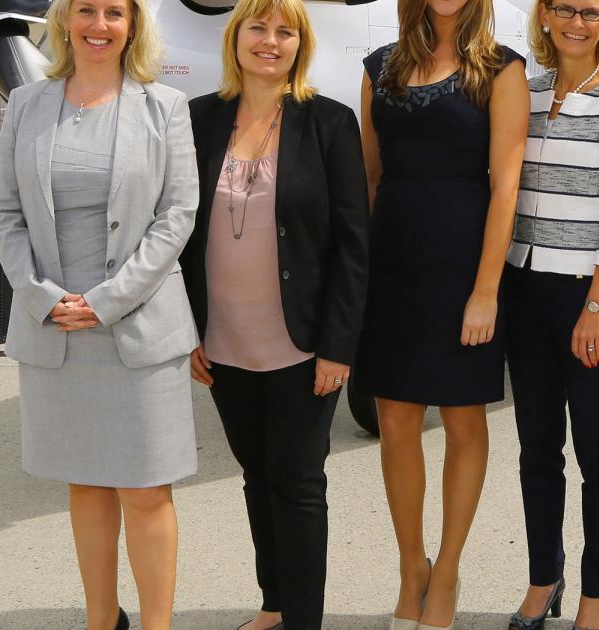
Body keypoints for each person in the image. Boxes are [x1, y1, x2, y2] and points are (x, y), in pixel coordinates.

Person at [0, 0, 199, 627]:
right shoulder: (26, 106)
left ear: (133, 25)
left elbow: (177, 217)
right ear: (64, 21)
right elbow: (3, 212)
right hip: (56, 330)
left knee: (146, 491)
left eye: (114, 12)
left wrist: (106, 302)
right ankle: (101, 620)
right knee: (86, 485)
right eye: (86, 10)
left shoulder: (166, 108)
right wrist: (42, 296)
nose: (98, 25)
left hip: (137, 329)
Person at [179, 0, 369, 627]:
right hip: (222, 338)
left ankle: (304, 620)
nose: (270, 40)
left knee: (296, 479)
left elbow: (352, 243)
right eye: (257, 27)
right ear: (236, 40)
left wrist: (339, 346)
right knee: (256, 475)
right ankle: (275, 604)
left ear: (300, 45)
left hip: (302, 340)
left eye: (285, 31)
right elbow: (176, 236)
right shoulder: (198, 118)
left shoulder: (329, 123)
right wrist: (187, 331)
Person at [354, 0, 528, 628]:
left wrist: (486, 290)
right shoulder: (379, 68)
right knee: (395, 424)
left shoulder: (502, 70)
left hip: (463, 263)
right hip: (391, 265)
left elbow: (506, 184)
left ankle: (448, 570)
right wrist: (358, 278)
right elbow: (369, 177)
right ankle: (412, 568)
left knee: (461, 421)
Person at [503, 1, 599, 629]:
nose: (576, 21)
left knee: (598, 449)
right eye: (563, 8)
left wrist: (597, 302)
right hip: (524, 288)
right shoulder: (526, 92)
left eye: (590, 11)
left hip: (590, 295)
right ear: (543, 15)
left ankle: (598, 590)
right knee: (536, 447)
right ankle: (546, 577)